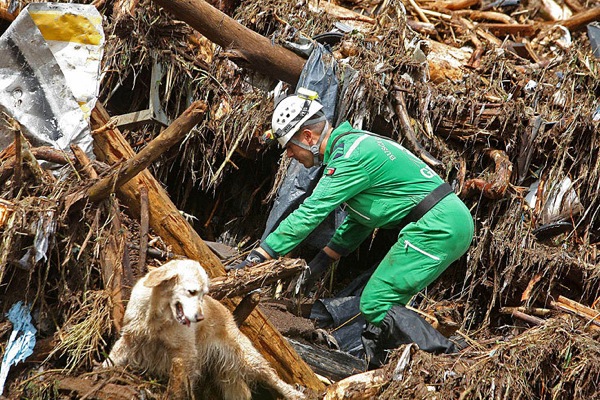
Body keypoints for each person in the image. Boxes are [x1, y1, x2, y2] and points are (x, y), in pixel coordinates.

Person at [231, 88, 474, 367]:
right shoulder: (351, 148)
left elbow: (309, 213)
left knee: (374, 303)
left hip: (437, 224)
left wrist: (258, 257)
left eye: (289, 146)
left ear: (308, 137)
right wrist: (320, 264)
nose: (289, 155)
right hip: (445, 221)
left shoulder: (350, 157)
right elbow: (361, 220)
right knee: (387, 306)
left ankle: (452, 363)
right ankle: (386, 370)